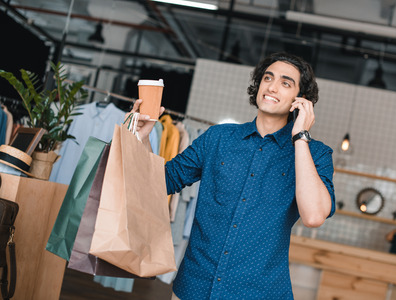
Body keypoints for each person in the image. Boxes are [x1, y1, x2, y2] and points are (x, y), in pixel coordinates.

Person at [128, 52, 335, 299]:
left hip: (258, 292)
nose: (272, 86)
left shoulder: (315, 154)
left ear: (300, 100)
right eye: (268, 78)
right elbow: (161, 182)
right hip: (194, 287)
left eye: (285, 83)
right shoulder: (218, 138)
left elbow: (313, 216)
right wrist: (142, 138)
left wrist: (300, 137)